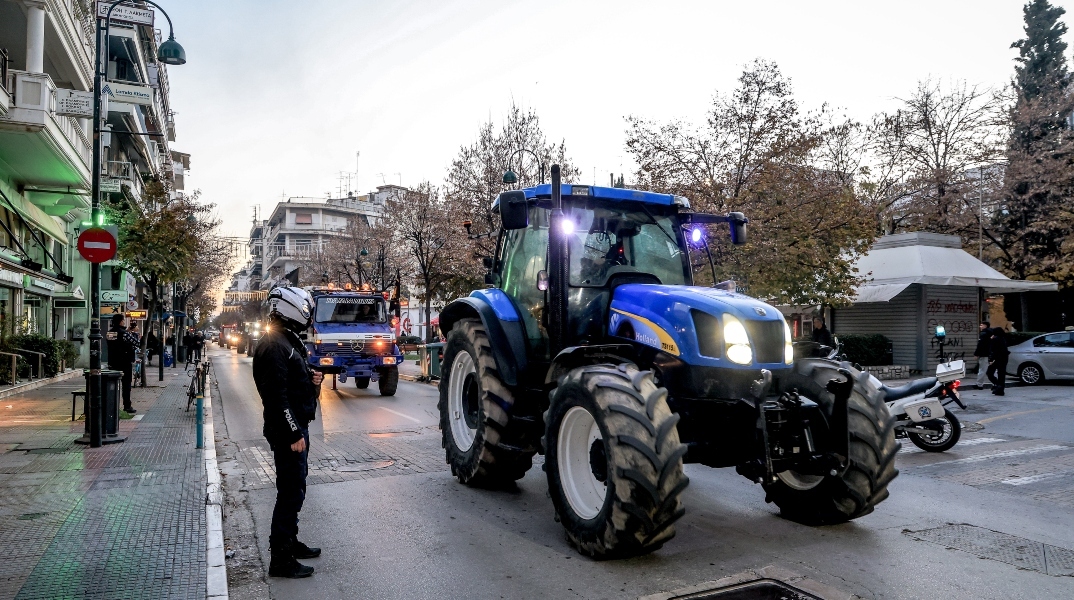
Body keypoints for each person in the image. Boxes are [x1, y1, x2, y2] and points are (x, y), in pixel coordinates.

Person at [252, 286, 323, 578]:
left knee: (297, 489)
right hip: (287, 432)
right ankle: (280, 559)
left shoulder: (287, 340)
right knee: (289, 493)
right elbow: (276, 397)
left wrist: (314, 381)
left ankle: (290, 543)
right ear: (294, 309)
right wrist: (294, 434)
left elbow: (294, 387)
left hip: (295, 427)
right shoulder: (274, 345)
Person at [105, 314, 138, 414]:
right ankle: (127, 406)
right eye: (123, 321)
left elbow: (112, 344)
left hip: (113, 362)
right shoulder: (124, 333)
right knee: (126, 385)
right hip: (125, 362)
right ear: (120, 321)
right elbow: (136, 342)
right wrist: (134, 333)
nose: (124, 322)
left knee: (112, 384)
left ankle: (111, 405)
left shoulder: (110, 333)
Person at [986, 326, 1010, 396]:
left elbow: (993, 350)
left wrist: (991, 359)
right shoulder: (1003, 339)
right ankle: (1000, 389)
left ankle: (997, 385)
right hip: (1004, 358)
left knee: (989, 373)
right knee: (1001, 374)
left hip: (996, 359)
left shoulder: (995, 339)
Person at [973, 321, 992, 389]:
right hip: (991, 355)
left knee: (982, 370)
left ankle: (979, 384)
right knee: (993, 370)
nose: (980, 326)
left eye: (981, 325)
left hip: (984, 354)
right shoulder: (991, 333)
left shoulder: (983, 334)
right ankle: (996, 383)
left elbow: (980, 345)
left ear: (985, 326)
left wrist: (976, 354)